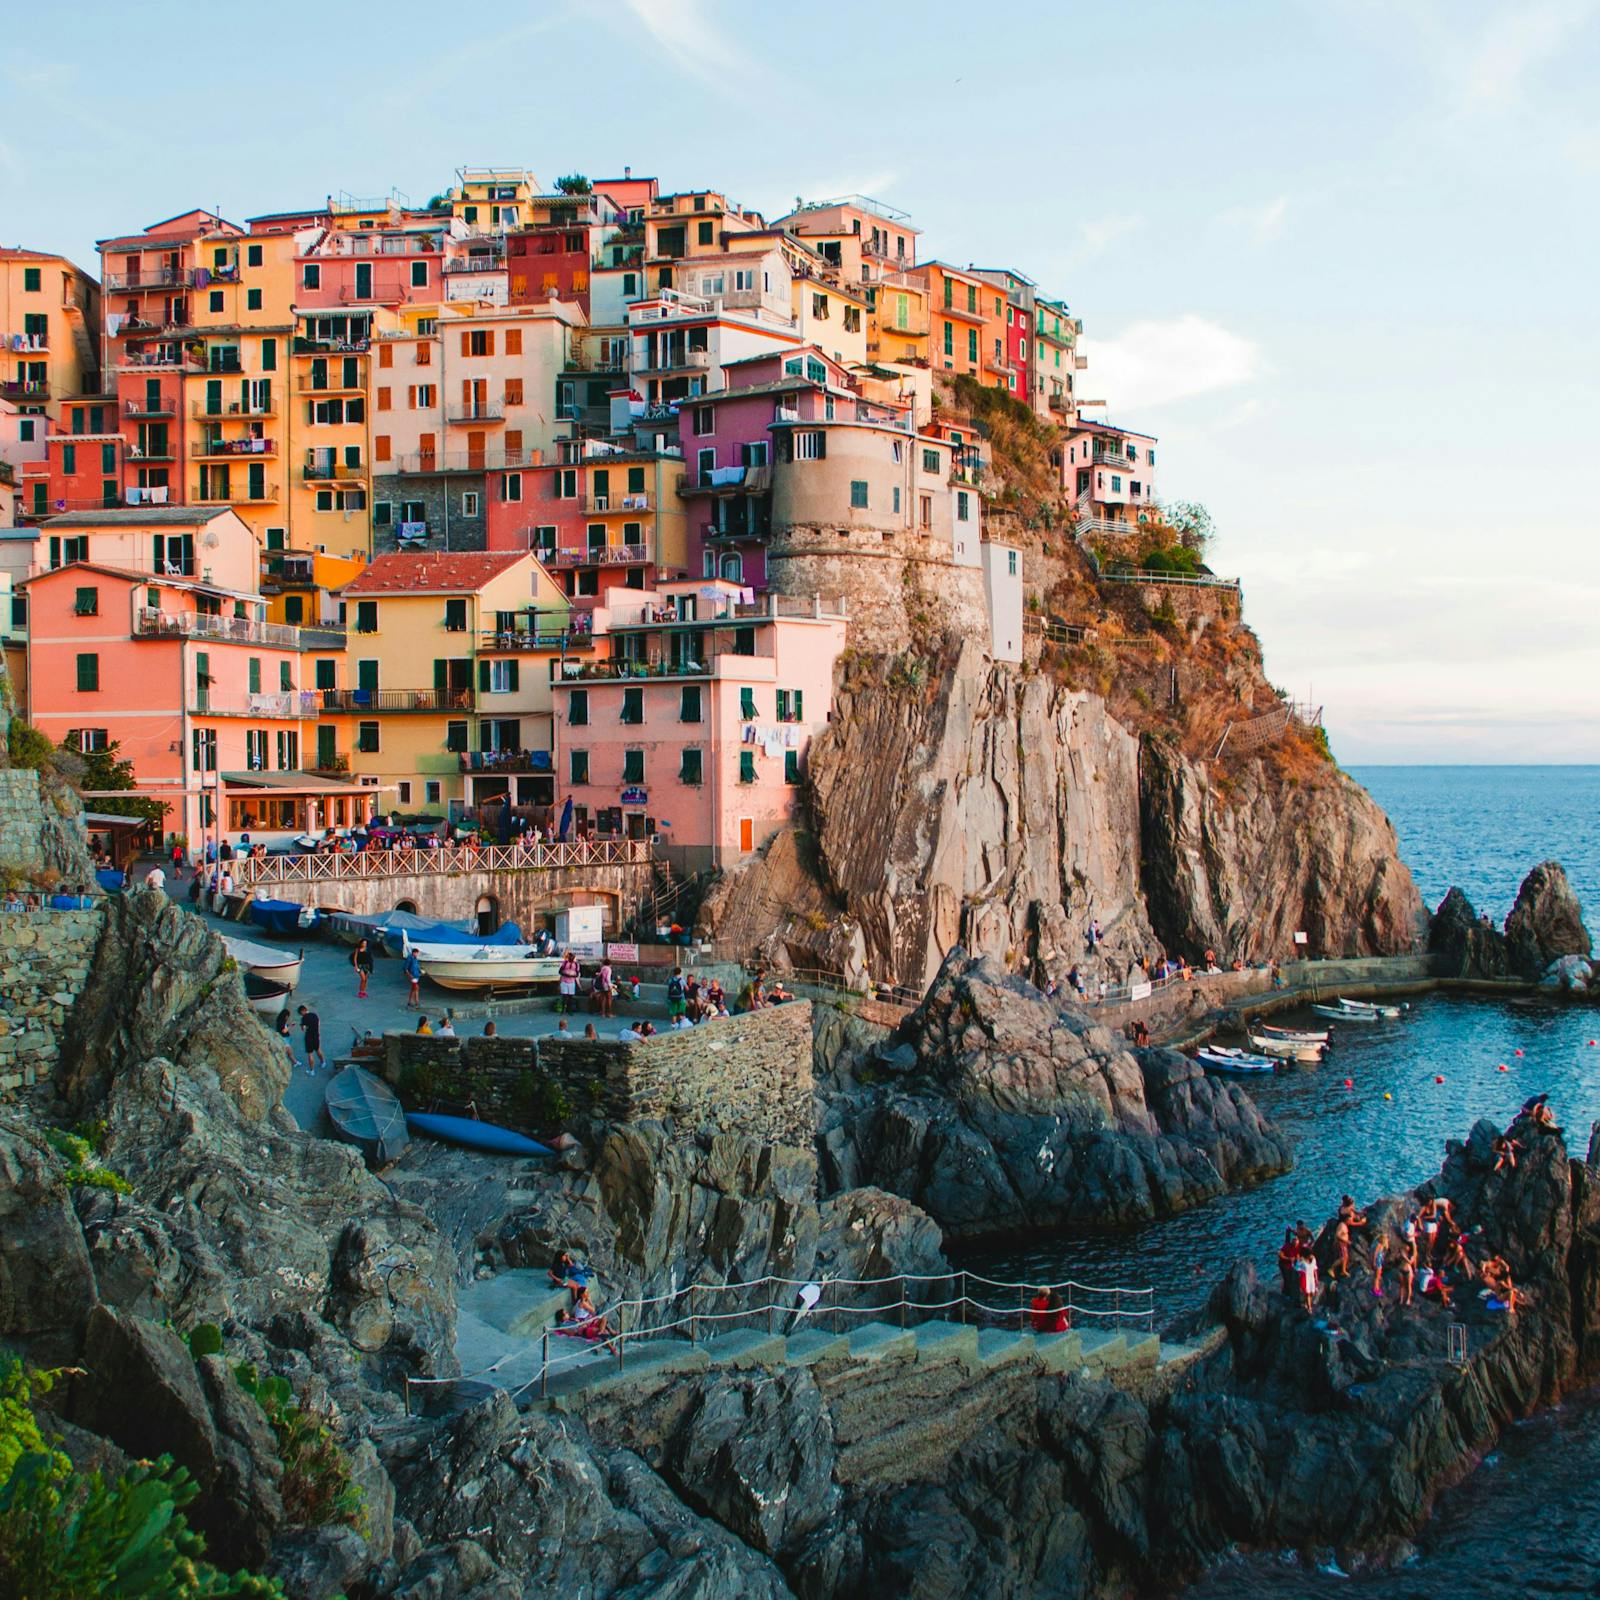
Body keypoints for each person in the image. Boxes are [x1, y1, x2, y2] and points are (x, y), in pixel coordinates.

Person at [297, 1004, 325, 1074]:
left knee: (310, 1054)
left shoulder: (304, 1018)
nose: (301, 1015)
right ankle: (323, 1062)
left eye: (301, 1013)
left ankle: (312, 1071)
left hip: (309, 1037)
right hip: (316, 1035)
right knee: (318, 1050)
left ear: (302, 1011)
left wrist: (302, 1026)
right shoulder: (315, 1015)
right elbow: (318, 1024)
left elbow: (303, 1029)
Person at [1278, 1227, 1301, 1297]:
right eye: (1295, 1242)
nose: (1296, 1244)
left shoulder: (1297, 1246)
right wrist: (1288, 1258)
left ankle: (1288, 1292)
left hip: (1291, 1265)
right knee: (1287, 1278)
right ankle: (1286, 1293)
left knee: (1291, 1278)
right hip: (1284, 1264)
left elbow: (1298, 1254)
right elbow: (1280, 1254)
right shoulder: (1287, 1246)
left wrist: (1298, 1258)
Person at [1398, 1240, 1417, 1306]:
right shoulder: (1402, 1253)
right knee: (1401, 1285)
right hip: (1401, 1269)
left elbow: (1410, 1262)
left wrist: (1404, 1257)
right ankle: (1401, 1299)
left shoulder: (1411, 1255)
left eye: (1407, 1246)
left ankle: (1408, 1299)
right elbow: (1397, 1260)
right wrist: (1400, 1255)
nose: (1405, 1247)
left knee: (1408, 1285)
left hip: (1408, 1271)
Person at [1371, 1234, 1388, 1298]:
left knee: (1378, 1276)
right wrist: (1374, 1262)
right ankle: (1375, 1289)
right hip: (1378, 1262)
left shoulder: (1379, 1244)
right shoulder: (1379, 1245)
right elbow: (1375, 1254)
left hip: (1379, 1261)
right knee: (1377, 1276)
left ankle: (1377, 1288)